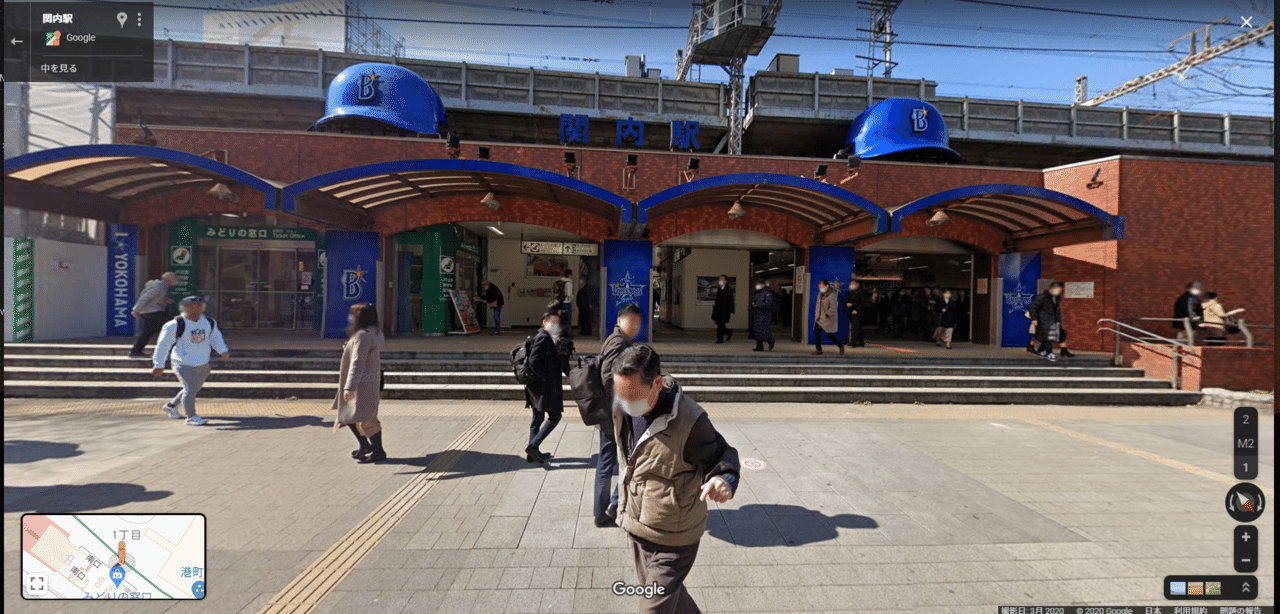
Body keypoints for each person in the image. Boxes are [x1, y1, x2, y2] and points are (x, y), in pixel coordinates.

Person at [611, 345, 739, 614]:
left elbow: (723, 454)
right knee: (668, 597)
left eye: (631, 396)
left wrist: (724, 480)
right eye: (620, 394)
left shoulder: (690, 421)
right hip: (638, 526)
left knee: (652, 608)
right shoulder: (623, 405)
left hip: (675, 541)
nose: (625, 402)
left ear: (657, 383)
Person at [595, 302, 642, 527]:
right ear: (619, 321)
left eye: (638, 323)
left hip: (612, 411)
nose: (634, 326)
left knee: (610, 459)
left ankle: (604, 509)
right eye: (631, 322)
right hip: (615, 412)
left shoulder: (620, 340)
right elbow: (607, 376)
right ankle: (610, 507)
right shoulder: (618, 342)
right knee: (622, 458)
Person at [150, 296, 229, 426]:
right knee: (190, 388)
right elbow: (163, 345)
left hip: (203, 362)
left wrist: (222, 350)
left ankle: (171, 406)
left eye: (199, 306)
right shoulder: (174, 325)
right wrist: (158, 364)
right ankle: (191, 416)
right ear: (184, 308)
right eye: (191, 306)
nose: (195, 309)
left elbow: (215, 337)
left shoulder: (209, 322)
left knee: (193, 388)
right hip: (182, 362)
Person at [333, 302, 387, 463]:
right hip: (370, 380)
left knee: (363, 417)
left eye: (353, 315)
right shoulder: (375, 332)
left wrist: (350, 387)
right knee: (352, 414)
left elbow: (358, 362)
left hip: (362, 383)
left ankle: (377, 451)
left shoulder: (363, 335)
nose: (350, 318)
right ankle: (365, 445)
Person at [524, 310, 565, 463]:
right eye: (552, 322)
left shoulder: (546, 337)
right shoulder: (543, 337)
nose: (555, 326)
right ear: (544, 322)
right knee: (555, 416)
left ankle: (532, 454)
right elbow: (534, 360)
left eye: (557, 323)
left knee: (537, 418)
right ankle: (533, 446)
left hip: (536, 386)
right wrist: (545, 377)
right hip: (542, 386)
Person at [128, 271, 178, 358]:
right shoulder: (158, 287)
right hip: (151, 312)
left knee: (148, 332)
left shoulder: (163, 287)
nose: (176, 281)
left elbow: (157, 299)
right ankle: (171, 349)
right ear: (169, 280)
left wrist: (165, 301)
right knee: (172, 324)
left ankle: (136, 350)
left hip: (153, 311)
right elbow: (145, 298)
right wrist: (136, 310)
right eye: (174, 279)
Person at [1027, 281, 1066, 361]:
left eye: (1060, 290)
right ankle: (1049, 353)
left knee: (1049, 337)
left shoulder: (1057, 298)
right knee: (1048, 337)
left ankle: (1042, 351)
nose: (1058, 291)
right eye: (1057, 289)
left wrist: (1058, 320)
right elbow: (1033, 308)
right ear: (1051, 289)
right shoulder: (1042, 297)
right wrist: (1034, 319)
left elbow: (1057, 310)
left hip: (1053, 321)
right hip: (1043, 320)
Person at [812, 279, 845, 355]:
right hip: (820, 318)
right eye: (819, 286)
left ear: (827, 286)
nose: (820, 288)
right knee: (816, 331)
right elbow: (818, 305)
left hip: (827, 317)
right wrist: (817, 315)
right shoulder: (820, 293)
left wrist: (827, 314)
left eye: (822, 286)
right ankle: (818, 349)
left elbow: (833, 306)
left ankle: (840, 345)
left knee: (829, 334)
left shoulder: (832, 294)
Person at [750, 279, 779, 352]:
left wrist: (757, 306)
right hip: (757, 314)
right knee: (757, 330)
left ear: (762, 285)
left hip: (765, 315)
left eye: (758, 284)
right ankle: (759, 346)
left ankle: (770, 341)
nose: (757, 286)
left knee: (764, 330)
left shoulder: (768, 293)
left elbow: (768, 304)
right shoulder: (757, 293)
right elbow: (754, 302)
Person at [844, 277, 867, 348]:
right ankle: (861, 342)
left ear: (857, 284)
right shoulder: (851, 292)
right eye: (851, 284)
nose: (851, 285)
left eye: (853, 284)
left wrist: (856, 309)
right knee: (858, 327)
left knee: (854, 327)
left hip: (858, 312)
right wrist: (847, 304)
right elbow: (847, 301)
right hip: (851, 312)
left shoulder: (862, 292)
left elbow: (863, 303)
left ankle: (854, 342)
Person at [711, 275, 734, 343]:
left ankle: (720, 339)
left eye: (721, 280)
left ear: (725, 281)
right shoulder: (719, 289)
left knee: (720, 325)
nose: (720, 281)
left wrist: (730, 310)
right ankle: (729, 332)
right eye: (719, 280)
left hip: (725, 310)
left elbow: (730, 300)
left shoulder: (728, 290)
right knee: (719, 324)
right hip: (718, 310)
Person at [556, 268, 575, 333]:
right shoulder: (569, 283)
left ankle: (561, 331)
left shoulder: (561, 281)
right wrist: (572, 297)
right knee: (568, 319)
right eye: (572, 274)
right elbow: (569, 294)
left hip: (561, 302)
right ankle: (568, 332)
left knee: (562, 318)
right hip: (567, 303)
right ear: (569, 275)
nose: (572, 276)